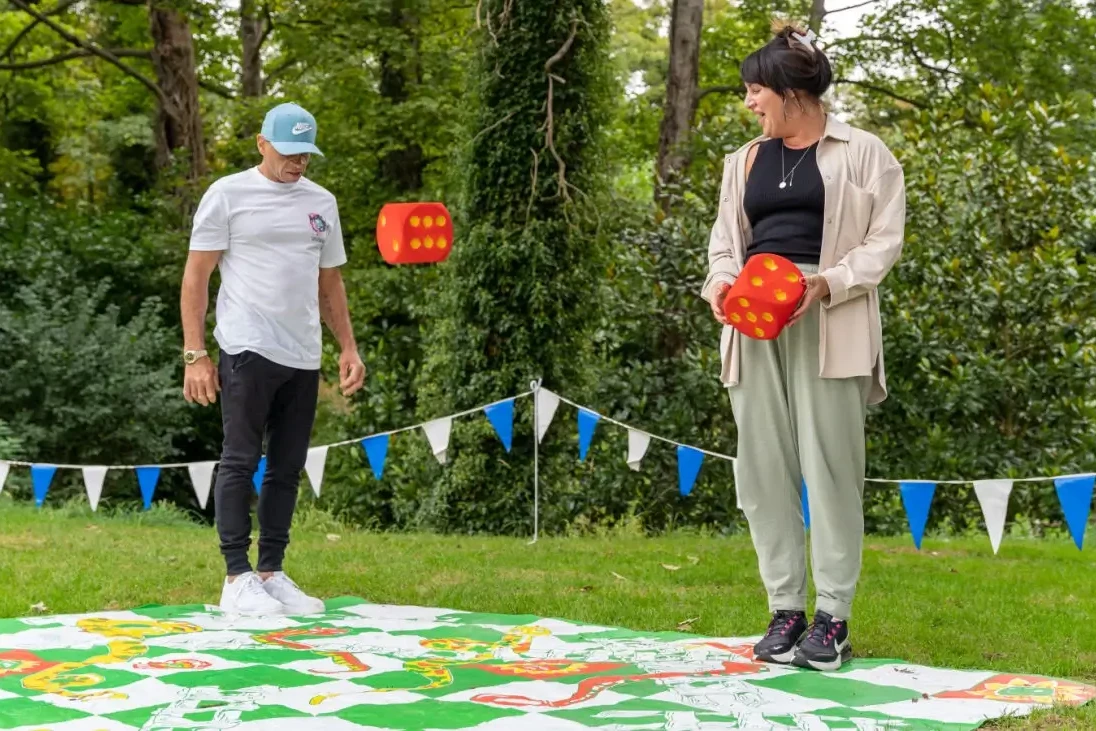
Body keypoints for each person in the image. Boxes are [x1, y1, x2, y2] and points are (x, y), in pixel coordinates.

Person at [701, 23, 905, 671]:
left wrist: (828, 284)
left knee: (831, 469)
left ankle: (832, 618)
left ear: (792, 92)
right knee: (760, 472)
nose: (749, 101)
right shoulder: (745, 160)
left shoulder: (866, 152)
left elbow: (883, 241)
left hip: (828, 321)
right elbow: (725, 242)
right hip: (752, 325)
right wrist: (720, 282)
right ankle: (786, 607)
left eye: (755, 89)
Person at [180, 102, 366, 616]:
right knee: (240, 459)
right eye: (289, 152)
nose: (298, 162)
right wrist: (195, 354)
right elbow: (197, 277)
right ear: (262, 144)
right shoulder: (228, 194)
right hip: (246, 346)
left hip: (303, 352)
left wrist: (348, 346)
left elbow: (331, 281)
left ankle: (272, 572)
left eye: (306, 154)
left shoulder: (321, 202)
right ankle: (235, 576)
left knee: (286, 466)